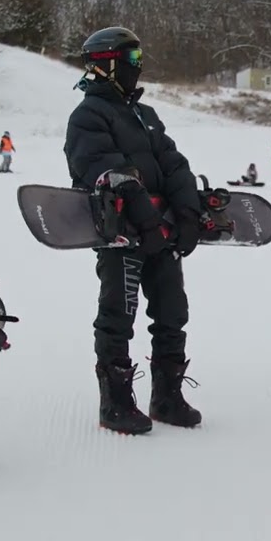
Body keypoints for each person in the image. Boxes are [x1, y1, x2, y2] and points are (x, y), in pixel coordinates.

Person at [64, 26, 205, 435]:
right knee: (117, 316)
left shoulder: (145, 115)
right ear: (107, 64)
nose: (138, 68)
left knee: (172, 313)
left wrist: (188, 213)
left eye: (140, 60)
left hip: (163, 235)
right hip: (122, 236)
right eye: (132, 60)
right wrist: (145, 220)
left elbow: (174, 164)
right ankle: (117, 402)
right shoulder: (87, 116)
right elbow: (104, 170)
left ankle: (167, 396)